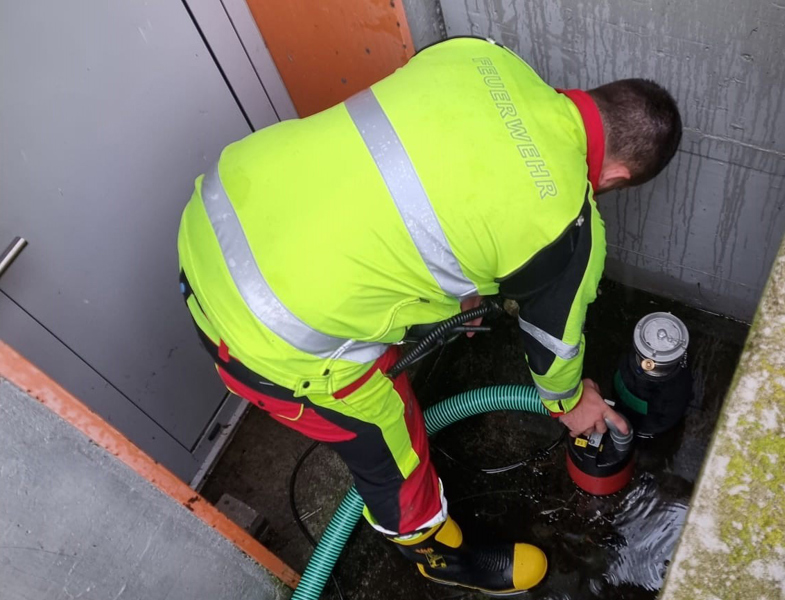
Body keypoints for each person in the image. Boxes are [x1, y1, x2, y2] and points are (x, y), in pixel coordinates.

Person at [177, 37, 681, 595]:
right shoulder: (569, 227)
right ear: (614, 178)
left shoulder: (482, 56)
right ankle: (436, 553)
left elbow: (422, 175)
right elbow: (552, 349)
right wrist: (570, 403)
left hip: (218, 211)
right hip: (264, 332)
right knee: (387, 434)